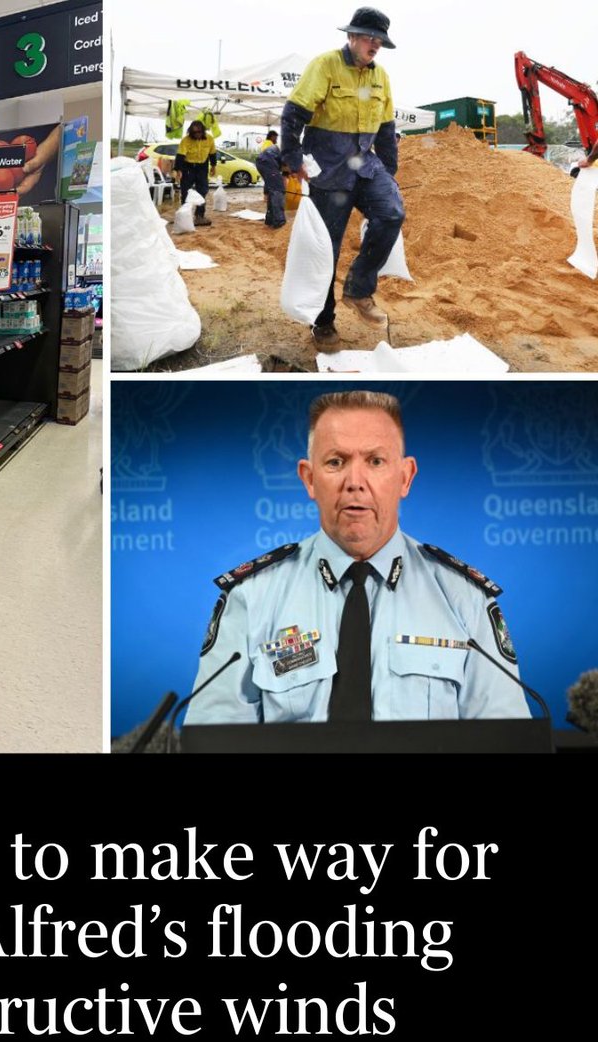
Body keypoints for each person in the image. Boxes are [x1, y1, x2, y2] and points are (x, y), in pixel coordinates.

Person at [184, 392, 532, 724]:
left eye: (375, 461)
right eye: (336, 462)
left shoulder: (464, 599)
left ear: (405, 477)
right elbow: (212, 735)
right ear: (309, 479)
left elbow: (506, 736)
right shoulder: (251, 598)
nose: (355, 482)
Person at [280, 7, 405, 350]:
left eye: (379, 40)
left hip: (365, 165)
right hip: (329, 169)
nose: (375, 45)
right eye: (369, 37)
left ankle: (359, 290)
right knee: (328, 250)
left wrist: (389, 173)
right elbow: (294, 114)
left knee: (391, 212)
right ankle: (323, 322)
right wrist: (292, 159)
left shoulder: (381, 78)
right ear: (351, 37)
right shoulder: (326, 66)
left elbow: (386, 128)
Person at [174, 120, 217, 227]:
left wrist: (213, 166)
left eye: (199, 132)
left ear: (203, 131)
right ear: (191, 132)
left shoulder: (209, 138)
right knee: (186, 191)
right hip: (188, 167)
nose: (197, 135)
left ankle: (200, 216)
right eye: (195, 133)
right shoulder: (186, 140)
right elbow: (180, 156)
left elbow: (212, 153)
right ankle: (185, 215)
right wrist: (178, 170)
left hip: (202, 167)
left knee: (202, 191)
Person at [257, 130, 286, 228]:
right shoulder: (294, 154)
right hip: (268, 162)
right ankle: (279, 220)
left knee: (273, 189)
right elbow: (286, 168)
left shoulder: (278, 148)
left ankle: (270, 219)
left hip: (263, 162)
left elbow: (284, 169)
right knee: (277, 189)